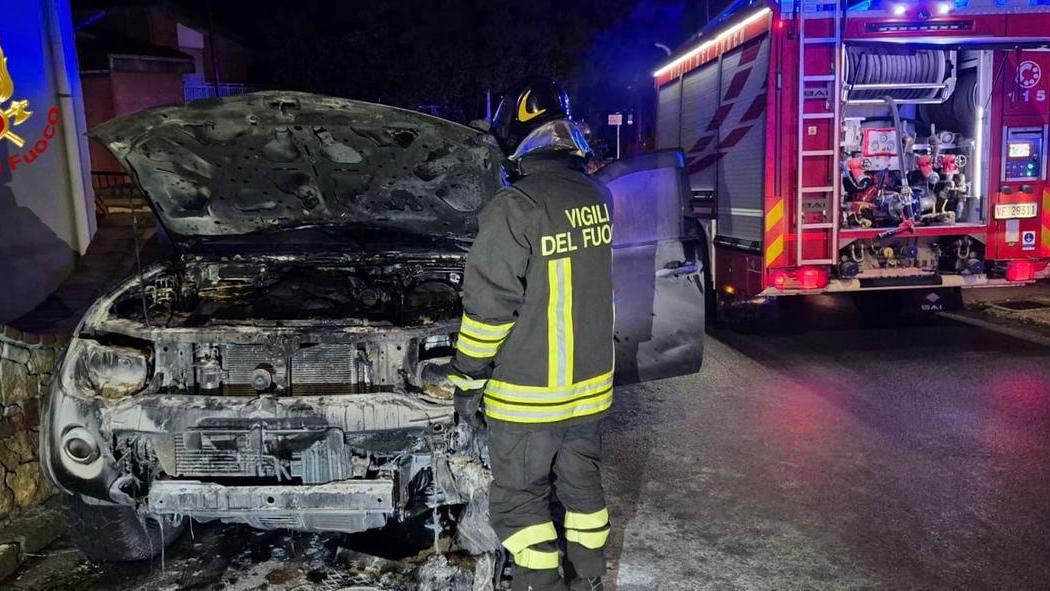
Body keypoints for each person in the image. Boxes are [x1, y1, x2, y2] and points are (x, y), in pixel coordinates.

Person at [449, 77, 614, 591]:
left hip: (528, 396)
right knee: (582, 488)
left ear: (518, 141)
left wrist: (467, 378)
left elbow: (488, 312)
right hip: (589, 392)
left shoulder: (514, 206)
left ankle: (539, 584)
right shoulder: (596, 194)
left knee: (521, 501)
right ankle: (587, 579)